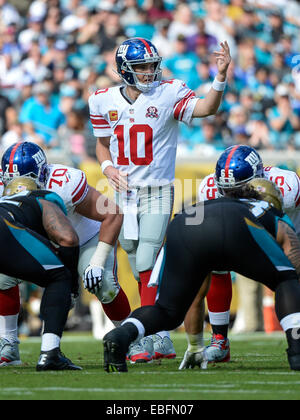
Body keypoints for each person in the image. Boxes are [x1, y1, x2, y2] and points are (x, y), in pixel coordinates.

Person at [88, 36, 231, 363]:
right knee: (136, 261)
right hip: (122, 192)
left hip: (157, 189)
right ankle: (158, 336)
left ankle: (151, 333)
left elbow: (207, 108)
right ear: (125, 70)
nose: (150, 72)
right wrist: (108, 167)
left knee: (148, 258)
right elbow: (101, 143)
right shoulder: (101, 100)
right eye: (142, 66)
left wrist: (220, 76)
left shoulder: (170, 92)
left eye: (153, 65)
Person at [102, 179, 300, 373]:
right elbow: (295, 265)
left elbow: (196, 296)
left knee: (168, 311)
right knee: (287, 280)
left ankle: (122, 334)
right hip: (236, 225)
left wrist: (196, 346)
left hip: (184, 223)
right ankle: (297, 350)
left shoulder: (213, 201)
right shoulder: (268, 210)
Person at [0, 141, 131, 366]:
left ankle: (130, 340)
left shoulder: (64, 181)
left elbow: (113, 214)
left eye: (26, 179)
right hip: (46, 242)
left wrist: (97, 262)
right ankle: (8, 343)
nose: (19, 186)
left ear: (43, 173)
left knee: (103, 284)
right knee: (3, 276)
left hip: (85, 239)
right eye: (11, 181)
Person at [181, 144, 300, 366]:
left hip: (288, 237)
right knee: (214, 261)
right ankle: (219, 340)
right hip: (246, 235)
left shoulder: (288, 185)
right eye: (226, 190)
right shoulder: (208, 187)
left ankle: (296, 340)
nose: (232, 196)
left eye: (239, 189)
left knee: (290, 278)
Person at [0, 176, 82, 371]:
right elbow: (68, 239)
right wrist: (71, 287)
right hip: (5, 228)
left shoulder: (6, 202)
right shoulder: (43, 197)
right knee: (59, 276)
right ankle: (50, 353)